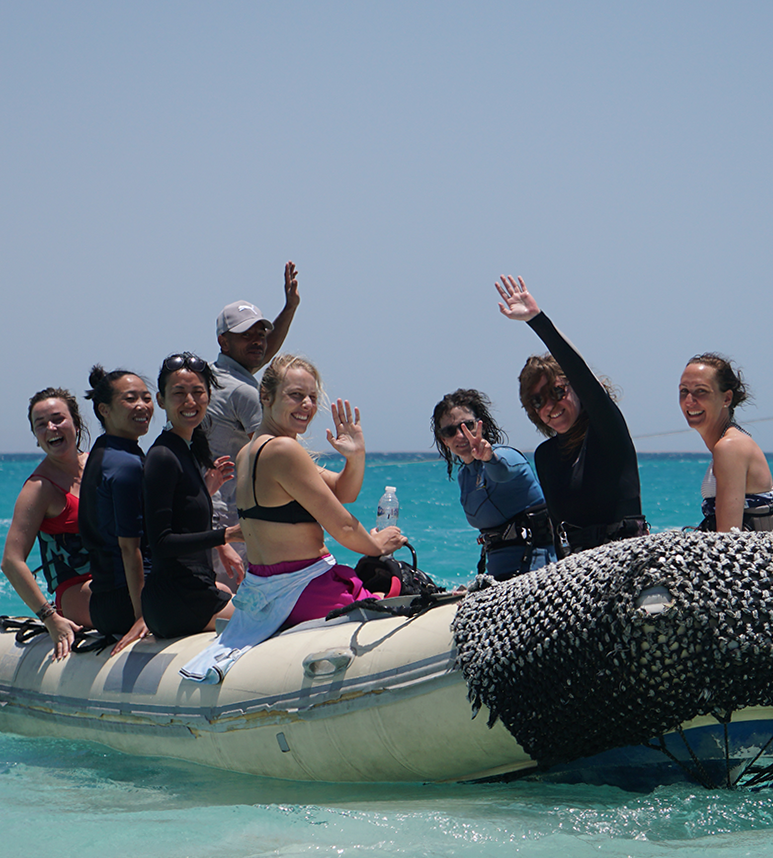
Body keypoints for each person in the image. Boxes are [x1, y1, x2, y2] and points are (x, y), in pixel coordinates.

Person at [179, 354, 406, 683]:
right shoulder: (284, 451)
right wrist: (376, 546)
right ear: (266, 397)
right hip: (304, 589)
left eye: (312, 397)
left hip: (264, 592)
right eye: (296, 395)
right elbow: (342, 524)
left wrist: (355, 456)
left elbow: (344, 491)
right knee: (401, 587)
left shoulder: (251, 452)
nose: (307, 405)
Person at [494, 275, 646, 554]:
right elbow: (558, 534)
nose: (550, 406)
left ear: (576, 390)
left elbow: (582, 375)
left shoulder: (606, 431)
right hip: (576, 573)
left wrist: (536, 319)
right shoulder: (546, 455)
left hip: (627, 561)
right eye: (538, 401)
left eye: (557, 392)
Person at [118, 353, 244, 650]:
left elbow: (181, 517)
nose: (190, 400)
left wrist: (206, 491)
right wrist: (226, 535)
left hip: (190, 591)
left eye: (198, 392)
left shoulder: (183, 449)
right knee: (270, 616)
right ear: (161, 401)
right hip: (179, 601)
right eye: (179, 393)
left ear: (209, 396)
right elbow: (161, 542)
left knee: (228, 589)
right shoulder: (162, 456)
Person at [204, 262, 301, 535]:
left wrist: (290, 307)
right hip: (228, 517)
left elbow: (262, 352)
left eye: (260, 334)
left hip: (203, 508)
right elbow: (274, 457)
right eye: (246, 335)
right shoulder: (242, 390)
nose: (257, 341)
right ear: (224, 342)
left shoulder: (214, 375)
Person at [0, 388, 93, 660]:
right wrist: (50, 619)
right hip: (76, 593)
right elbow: (11, 561)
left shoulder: (99, 465)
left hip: (116, 578)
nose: (51, 428)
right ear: (36, 436)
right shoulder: (38, 488)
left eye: (58, 419)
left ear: (76, 422)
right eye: (41, 424)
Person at [431, 389, 557, 579]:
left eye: (467, 425)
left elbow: (502, 471)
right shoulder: (464, 476)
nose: (460, 435)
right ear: (444, 440)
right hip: (498, 573)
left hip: (538, 568)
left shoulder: (506, 455)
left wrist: (489, 458)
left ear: (480, 424)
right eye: (450, 431)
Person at [77, 366, 155, 639]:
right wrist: (143, 615)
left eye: (146, 398)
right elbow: (128, 547)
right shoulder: (125, 464)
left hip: (104, 601)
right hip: (128, 602)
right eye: (130, 399)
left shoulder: (103, 450)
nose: (143, 406)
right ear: (104, 410)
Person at [678, 354, 773, 532]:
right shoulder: (730, 442)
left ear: (727, 399)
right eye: (683, 391)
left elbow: (728, 536)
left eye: (701, 391)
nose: (689, 401)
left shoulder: (730, 447)